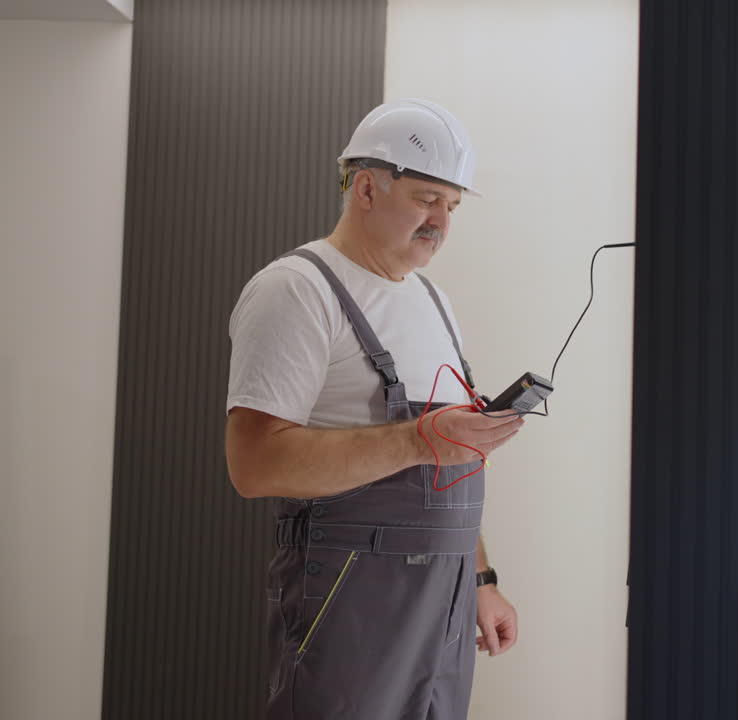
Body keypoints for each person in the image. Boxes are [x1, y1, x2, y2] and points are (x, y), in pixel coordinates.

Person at [224, 98, 524, 720]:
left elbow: (449, 463)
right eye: (426, 198)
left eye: (452, 206)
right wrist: (418, 440)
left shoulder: (433, 301)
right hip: (349, 594)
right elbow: (253, 464)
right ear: (365, 188)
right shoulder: (297, 290)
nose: (440, 221)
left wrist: (480, 580)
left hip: (445, 598)